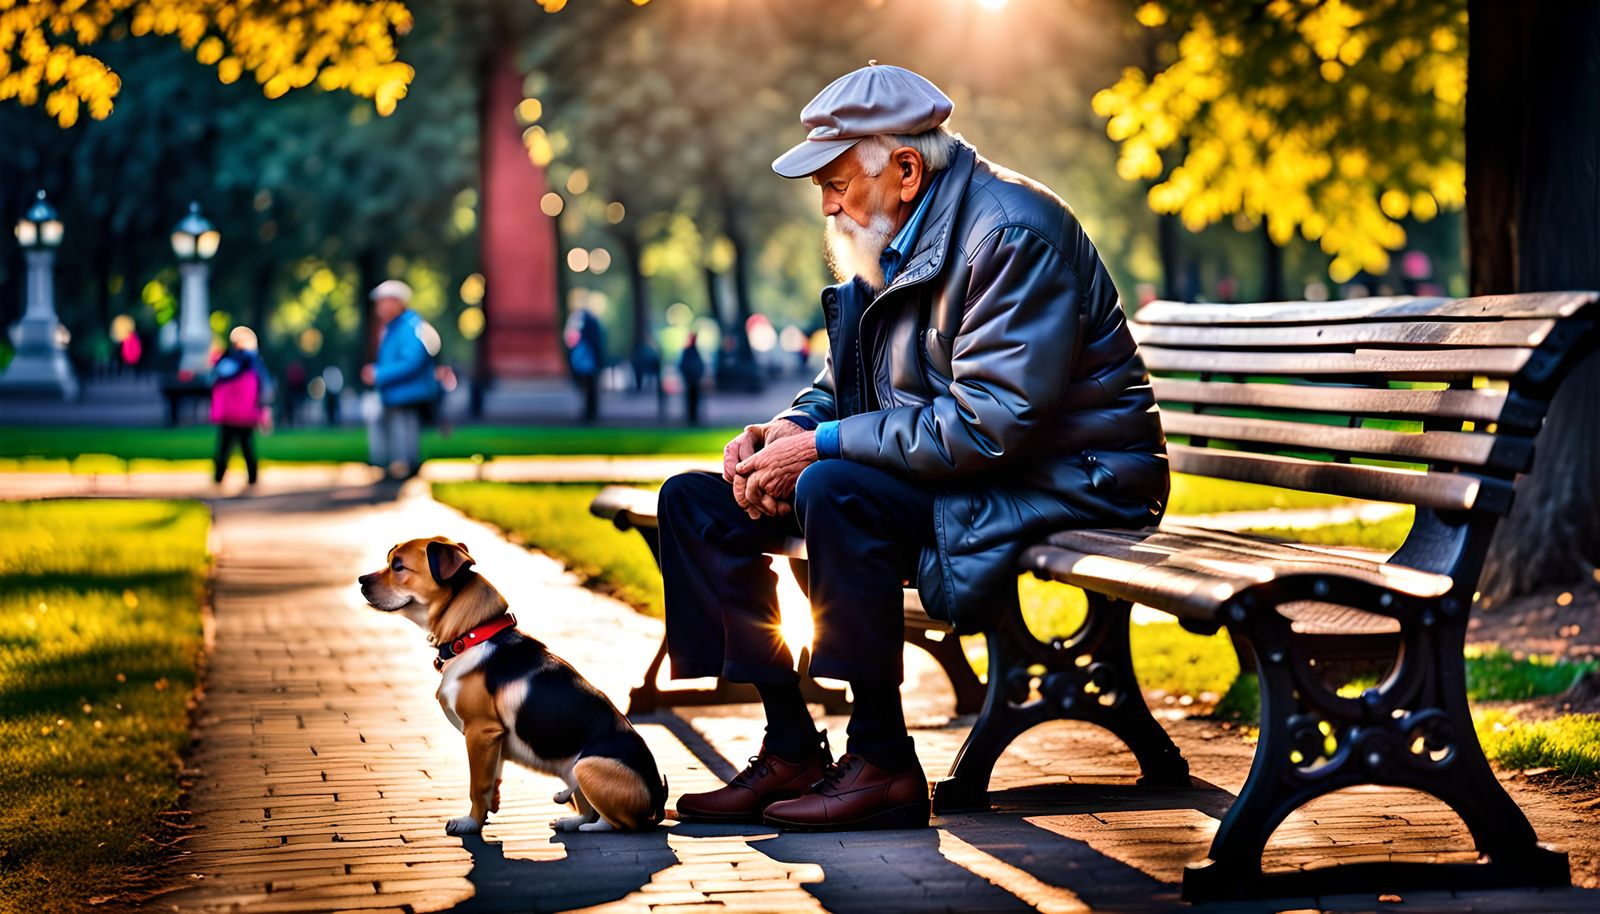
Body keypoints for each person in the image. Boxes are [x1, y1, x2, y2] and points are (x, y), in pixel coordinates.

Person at [658, 63, 1169, 830]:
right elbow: (842, 386)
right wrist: (784, 434)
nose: (827, 202)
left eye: (836, 181)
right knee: (697, 501)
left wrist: (824, 447)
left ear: (903, 169)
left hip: (1070, 479)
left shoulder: (1009, 233)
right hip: (959, 469)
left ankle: (884, 762)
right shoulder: (887, 235)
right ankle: (792, 747)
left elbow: (991, 426)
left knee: (836, 490)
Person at [362, 279, 439, 479]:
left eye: (383, 301)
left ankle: (405, 466)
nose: (379, 306)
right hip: (396, 392)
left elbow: (411, 362)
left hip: (407, 393)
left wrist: (379, 374)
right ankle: (394, 465)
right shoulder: (395, 328)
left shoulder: (410, 327)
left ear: (397, 302)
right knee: (393, 427)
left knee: (404, 430)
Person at [210, 326, 272, 488]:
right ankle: (252, 479)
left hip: (229, 415)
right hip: (246, 415)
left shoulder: (225, 362)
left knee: (224, 448)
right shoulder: (254, 363)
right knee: (246, 447)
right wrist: (264, 410)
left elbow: (214, 381)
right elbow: (264, 388)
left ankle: (218, 478)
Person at [678, 332, 706, 425]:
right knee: (690, 400)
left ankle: (694, 418)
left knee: (695, 400)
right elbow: (683, 365)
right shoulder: (688, 351)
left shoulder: (694, 350)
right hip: (690, 380)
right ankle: (690, 418)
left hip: (695, 380)